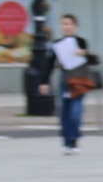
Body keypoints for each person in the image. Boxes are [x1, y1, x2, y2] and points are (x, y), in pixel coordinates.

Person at [38, 14, 95, 153]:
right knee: (65, 110)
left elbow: (90, 60)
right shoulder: (57, 44)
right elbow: (49, 63)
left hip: (79, 77)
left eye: (69, 24)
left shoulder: (81, 41)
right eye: (64, 24)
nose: (66, 27)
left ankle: (74, 140)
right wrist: (44, 81)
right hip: (65, 78)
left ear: (75, 26)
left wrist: (84, 54)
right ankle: (67, 141)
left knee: (76, 110)